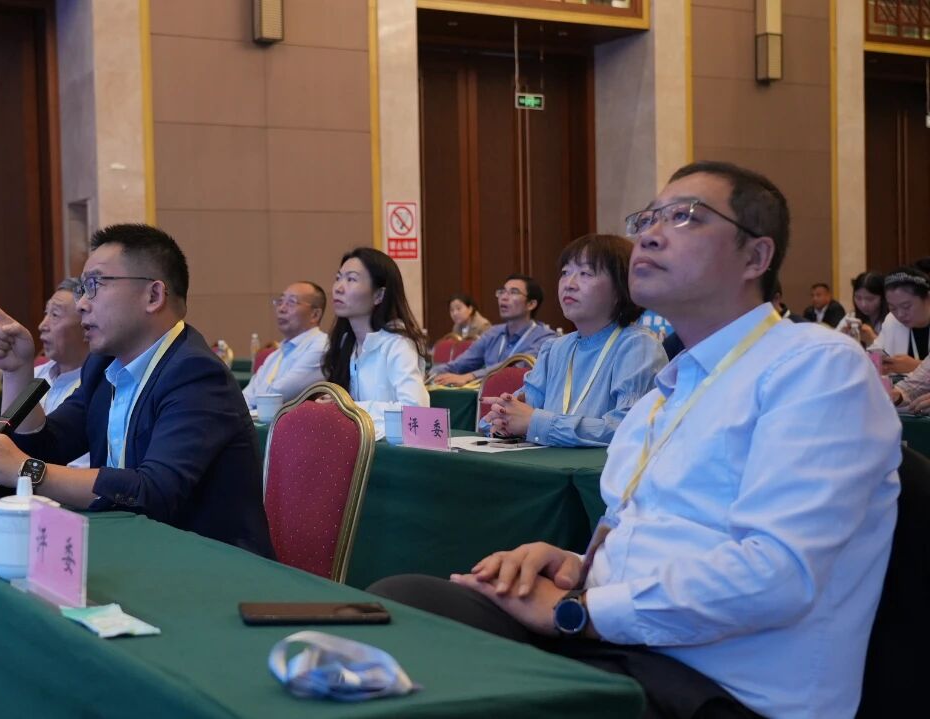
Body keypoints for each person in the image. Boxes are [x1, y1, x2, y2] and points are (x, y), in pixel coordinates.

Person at [370, 161, 900, 719]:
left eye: (685, 217)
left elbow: (779, 575)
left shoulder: (815, 366)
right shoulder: (665, 393)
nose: (648, 234)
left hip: (720, 685)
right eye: (646, 219)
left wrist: (576, 612)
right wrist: (574, 564)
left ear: (755, 257)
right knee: (404, 605)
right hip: (622, 643)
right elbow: (651, 535)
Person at [0, 224, 274, 557]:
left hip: (210, 563)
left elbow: (153, 492)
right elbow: (46, 446)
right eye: (82, 289)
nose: (82, 303)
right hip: (131, 548)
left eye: (95, 285)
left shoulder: (195, 374)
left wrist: (27, 471)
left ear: (153, 296)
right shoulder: (103, 368)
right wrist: (17, 370)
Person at [481, 235, 665, 448]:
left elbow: (628, 428)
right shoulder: (555, 348)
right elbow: (515, 410)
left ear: (621, 287)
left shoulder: (638, 346)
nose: (569, 284)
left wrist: (534, 422)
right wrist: (503, 419)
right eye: (565, 273)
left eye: (585, 273)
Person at [323, 247, 429, 427]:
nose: (338, 288)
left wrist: (347, 407)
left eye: (351, 279)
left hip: (391, 443)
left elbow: (416, 411)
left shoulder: (398, 344)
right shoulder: (346, 342)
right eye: (338, 278)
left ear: (379, 295)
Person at [430, 274, 556, 386]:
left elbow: (516, 367)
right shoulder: (492, 333)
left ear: (531, 304)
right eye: (502, 292)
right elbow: (462, 363)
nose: (504, 297)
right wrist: (432, 373)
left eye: (513, 292)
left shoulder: (545, 339)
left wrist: (470, 376)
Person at [242, 282, 328, 408]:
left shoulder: (322, 346)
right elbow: (246, 395)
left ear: (315, 315)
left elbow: (277, 395)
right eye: (280, 301)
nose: (281, 309)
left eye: (291, 302)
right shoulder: (276, 355)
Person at [34, 278, 88, 414]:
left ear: (86, 326)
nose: (42, 326)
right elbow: (5, 425)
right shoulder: (35, 375)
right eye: (46, 313)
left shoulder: (97, 386)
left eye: (55, 315)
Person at [873, 267, 930, 376]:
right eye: (893, 308)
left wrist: (918, 366)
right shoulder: (891, 320)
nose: (900, 314)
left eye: (906, 306)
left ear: (927, 298)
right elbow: (877, 350)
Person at [836, 271, 886, 346]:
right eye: (858, 298)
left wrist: (872, 339)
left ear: (883, 297)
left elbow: (894, 352)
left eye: (870, 299)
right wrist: (841, 337)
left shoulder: (892, 320)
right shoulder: (851, 317)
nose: (863, 305)